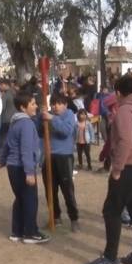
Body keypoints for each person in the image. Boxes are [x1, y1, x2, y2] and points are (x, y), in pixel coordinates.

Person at [85, 75, 132, 264]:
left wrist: (117, 169)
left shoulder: (125, 110)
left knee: (112, 211)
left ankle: (110, 258)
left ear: (118, 92)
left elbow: (125, 141)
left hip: (129, 168)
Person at [0, 91, 49, 244]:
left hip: (13, 166)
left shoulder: (15, 122)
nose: (36, 106)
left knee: (20, 199)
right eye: (32, 104)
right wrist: (29, 172)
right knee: (30, 200)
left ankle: (17, 231)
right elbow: (26, 149)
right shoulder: (26, 124)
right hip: (22, 167)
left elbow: (6, 144)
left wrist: (2, 160)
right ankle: (30, 232)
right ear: (23, 108)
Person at [41, 94, 80, 232]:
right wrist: (42, 116)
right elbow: (40, 132)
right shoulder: (48, 115)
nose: (55, 106)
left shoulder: (69, 115)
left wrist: (52, 118)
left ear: (65, 105)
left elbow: (66, 131)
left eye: (59, 103)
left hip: (64, 157)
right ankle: (55, 216)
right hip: (49, 156)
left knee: (67, 189)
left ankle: (74, 218)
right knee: (50, 189)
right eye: (53, 103)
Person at [0, 79, 17, 150]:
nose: (0, 87)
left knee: (3, 136)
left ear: (6, 85)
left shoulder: (6, 95)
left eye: (1, 85)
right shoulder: (15, 92)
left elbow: (2, 107)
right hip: (14, 118)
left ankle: (2, 151)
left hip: (5, 119)